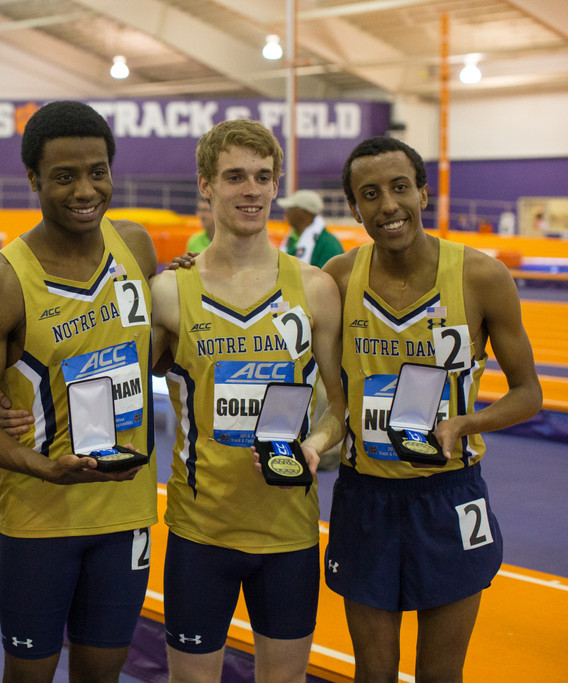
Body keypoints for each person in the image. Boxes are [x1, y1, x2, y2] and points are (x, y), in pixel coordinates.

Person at [0, 100, 158, 683]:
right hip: (41, 519)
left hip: (127, 510)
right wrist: (38, 465)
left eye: (98, 172)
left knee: (103, 673)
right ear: (34, 180)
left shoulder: (137, 249)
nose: (85, 189)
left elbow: (157, 345)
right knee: (30, 675)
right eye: (64, 176)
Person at [322, 136, 542, 680]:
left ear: (423, 191)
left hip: (449, 495)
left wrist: (467, 422)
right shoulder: (338, 278)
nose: (388, 206)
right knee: (373, 675)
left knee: (440, 676)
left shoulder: (481, 276)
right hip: (365, 494)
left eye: (400, 188)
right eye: (369, 194)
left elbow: (529, 393)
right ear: (354, 207)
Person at [150, 119, 345, 682]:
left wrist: (314, 443)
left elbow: (343, 402)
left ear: (277, 183)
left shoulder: (314, 288)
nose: (251, 190)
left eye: (263, 176)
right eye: (234, 176)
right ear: (206, 185)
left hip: (289, 531)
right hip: (198, 532)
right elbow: (124, 386)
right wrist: (10, 400)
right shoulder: (171, 291)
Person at [278, 189, 344, 269]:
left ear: (304, 213)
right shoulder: (291, 238)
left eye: (290, 209)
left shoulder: (329, 244)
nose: (286, 213)